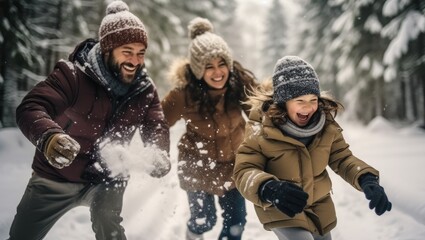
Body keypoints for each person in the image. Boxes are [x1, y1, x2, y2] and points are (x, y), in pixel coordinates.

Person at [9, 1, 171, 239]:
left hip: (107, 176)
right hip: (55, 176)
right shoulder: (73, 75)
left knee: (110, 227)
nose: (135, 61)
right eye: (127, 52)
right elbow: (31, 107)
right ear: (107, 49)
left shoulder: (144, 90)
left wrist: (158, 152)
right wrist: (50, 137)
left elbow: (156, 126)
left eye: (140, 53)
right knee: (22, 235)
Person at [232, 56, 392, 240]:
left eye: (313, 99)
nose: (308, 107)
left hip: (319, 207)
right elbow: (244, 170)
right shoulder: (261, 128)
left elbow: (342, 158)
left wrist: (366, 178)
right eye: (300, 100)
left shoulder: (326, 126)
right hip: (281, 205)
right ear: (283, 101)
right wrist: (269, 188)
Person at [161, 17, 258, 240]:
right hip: (197, 164)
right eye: (208, 66)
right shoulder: (184, 94)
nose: (217, 72)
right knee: (204, 220)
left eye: (221, 64)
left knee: (236, 223)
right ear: (197, 69)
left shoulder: (238, 83)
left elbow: (262, 109)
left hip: (233, 166)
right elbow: (157, 121)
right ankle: (193, 234)